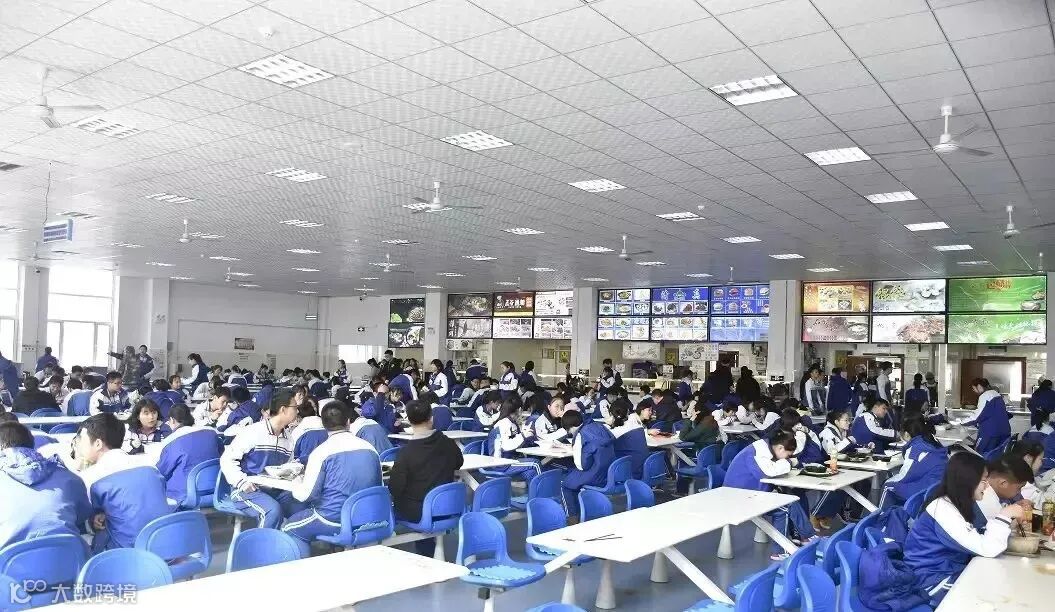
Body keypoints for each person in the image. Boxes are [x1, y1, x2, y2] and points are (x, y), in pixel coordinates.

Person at [903, 452, 1021, 606]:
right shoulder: (943, 510)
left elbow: (975, 536)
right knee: (995, 595)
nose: (987, 485)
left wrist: (1008, 525)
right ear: (968, 481)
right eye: (983, 480)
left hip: (949, 569)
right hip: (930, 579)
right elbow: (987, 549)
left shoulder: (956, 503)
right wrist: (1004, 516)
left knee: (1000, 584)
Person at [282, 402, 381, 544]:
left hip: (332, 520)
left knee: (287, 528)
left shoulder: (320, 453)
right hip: (369, 517)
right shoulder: (370, 449)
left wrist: (296, 483)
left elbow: (306, 495)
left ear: (323, 425)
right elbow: (379, 486)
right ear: (348, 422)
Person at [74, 414, 170, 552]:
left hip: (130, 554)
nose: (79, 445)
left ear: (98, 444)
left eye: (81, 440)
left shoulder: (90, 477)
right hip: (169, 545)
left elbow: (78, 515)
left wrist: (91, 521)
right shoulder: (149, 465)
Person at [725, 431, 818, 559]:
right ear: (780, 448)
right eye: (787, 455)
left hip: (749, 493)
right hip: (738, 498)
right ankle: (785, 548)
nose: (787, 458)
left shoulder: (765, 448)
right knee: (786, 506)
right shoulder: (757, 453)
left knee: (789, 499)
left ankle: (806, 536)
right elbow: (768, 471)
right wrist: (789, 463)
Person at [0, 421, 92, 550]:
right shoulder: (69, 478)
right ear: (32, 444)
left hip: (8, 560)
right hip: (67, 557)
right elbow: (82, 516)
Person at [388, 399, 464, 556]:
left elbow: (395, 488)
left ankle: (425, 553)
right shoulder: (448, 443)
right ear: (432, 418)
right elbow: (459, 462)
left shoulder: (405, 453)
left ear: (409, 421)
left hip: (419, 513)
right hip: (449, 507)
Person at [219, 393, 300, 529]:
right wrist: (241, 482)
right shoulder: (254, 432)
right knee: (272, 511)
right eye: (295, 407)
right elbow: (227, 459)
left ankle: (283, 541)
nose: (298, 411)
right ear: (283, 409)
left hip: (275, 490)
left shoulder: (289, 439)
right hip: (246, 489)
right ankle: (261, 542)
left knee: (301, 506)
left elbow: (286, 468)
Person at [155, 403, 221, 507]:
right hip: (217, 490)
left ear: (172, 420)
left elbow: (161, 471)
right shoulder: (211, 433)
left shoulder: (171, 442)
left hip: (184, 495)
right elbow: (221, 455)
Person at [560, 409, 616, 518]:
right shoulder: (600, 426)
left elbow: (582, 466)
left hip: (596, 474)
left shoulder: (580, 435)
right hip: (609, 472)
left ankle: (572, 517)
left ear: (570, 427)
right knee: (573, 476)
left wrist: (576, 449)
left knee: (566, 484)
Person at [884, 416, 948, 508]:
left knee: (887, 486)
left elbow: (905, 476)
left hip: (926, 489)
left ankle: (882, 515)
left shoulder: (915, 448)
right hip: (939, 485)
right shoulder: (931, 440)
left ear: (906, 434)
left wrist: (889, 480)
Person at [485, 396, 541, 480]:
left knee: (531, 473)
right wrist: (523, 435)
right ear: (519, 410)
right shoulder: (503, 424)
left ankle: (533, 488)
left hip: (512, 459)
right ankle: (544, 488)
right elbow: (506, 446)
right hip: (502, 463)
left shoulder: (512, 422)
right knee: (535, 463)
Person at [955, 378, 1012, 454]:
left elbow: (977, 416)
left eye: (974, 389)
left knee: (980, 454)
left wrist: (961, 422)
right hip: (1004, 431)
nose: (974, 391)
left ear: (979, 386)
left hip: (990, 433)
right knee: (996, 456)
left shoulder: (985, 396)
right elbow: (992, 413)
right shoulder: (996, 394)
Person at [975, 455, 1034, 521]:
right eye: (1019, 488)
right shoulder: (989, 503)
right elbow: (1000, 525)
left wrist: (1012, 507)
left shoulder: (978, 481)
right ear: (1003, 483)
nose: (1019, 492)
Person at [610, 398, 647, 479]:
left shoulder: (614, 432)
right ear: (628, 412)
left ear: (611, 414)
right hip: (642, 471)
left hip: (627, 473)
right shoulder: (639, 427)